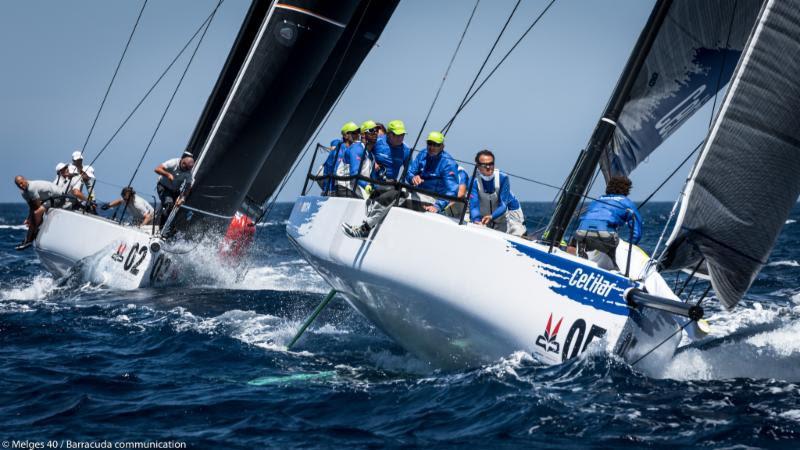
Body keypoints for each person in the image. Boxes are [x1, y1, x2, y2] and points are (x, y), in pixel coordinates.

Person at [341, 131, 456, 239]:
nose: (431, 147)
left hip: (430, 199)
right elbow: (409, 173)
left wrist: (438, 206)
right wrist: (413, 178)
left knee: (394, 195)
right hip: (415, 193)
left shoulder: (448, 163)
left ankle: (365, 229)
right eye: (429, 143)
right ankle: (368, 219)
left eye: (436, 144)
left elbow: (452, 190)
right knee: (390, 190)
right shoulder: (423, 154)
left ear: (442, 146)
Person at [572, 175, 642, 270]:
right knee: (617, 254)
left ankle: (578, 263)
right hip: (605, 235)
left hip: (581, 232)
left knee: (581, 244)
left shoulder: (598, 200)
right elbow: (636, 233)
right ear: (627, 190)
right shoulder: (627, 203)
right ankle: (617, 269)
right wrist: (628, 248)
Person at [469, 150, 526, 236]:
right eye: (484, 165)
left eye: (491, 164)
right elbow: (474, 205)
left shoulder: (503, 178)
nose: (488, 167)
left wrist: (492, 216)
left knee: (517, 232)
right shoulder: (473, 181)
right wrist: (476, 221)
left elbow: (503, 205)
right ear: (478, 166)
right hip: (486, 214)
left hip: (508, 213)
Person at [14, 176, 61, 250]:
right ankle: (28, 240)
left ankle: (35, 232)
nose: (20, 185)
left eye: (21, 183)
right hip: (46, 199)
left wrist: (34, 220)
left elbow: (38, 207)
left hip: (58, 197)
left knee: (37, 213)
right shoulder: (24, 193)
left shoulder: (31, 188)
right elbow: (31, 206)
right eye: (18, 185)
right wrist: (29, 218)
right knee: (32, 216)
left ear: (25, 180)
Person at [154, 151, 195, 227]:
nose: (187, 170)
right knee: (169, 204)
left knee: (181, 209)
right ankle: (161, 228)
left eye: (189, 169)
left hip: (175, 190)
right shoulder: (173, 162)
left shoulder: (189, 172)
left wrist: (182, 198)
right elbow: (157, 169)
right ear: (183, 163)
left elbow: (188, 186)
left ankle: (171, 229)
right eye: (186, 168)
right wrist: (168, 174)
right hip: (163, 187)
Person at [321, 122, 361, 196]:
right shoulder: (339, 151)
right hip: (332, 190)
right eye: (354, 133)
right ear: (345, 135)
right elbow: (337, 172)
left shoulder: (354, 149)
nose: (357, 135)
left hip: (346, 187)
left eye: (358, 132)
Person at [370, 119, 410, 188]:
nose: (400, 138)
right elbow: (364, 153)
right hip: (372, 182)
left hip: (391, 186)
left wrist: (414, 178)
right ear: (388, 134)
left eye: (402, 134)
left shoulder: (406, 150)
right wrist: (372, 161)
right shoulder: (377, 141)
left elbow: (409, 172)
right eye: (396, 134)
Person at [348, 120, 379, 198]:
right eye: (371, 130)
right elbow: (354, 173)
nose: (375, 133)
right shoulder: (357, 148)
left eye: (376, 131)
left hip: (362, 189)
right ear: (363, 134)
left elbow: (373, 179)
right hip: (348, 188)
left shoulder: (371, 156)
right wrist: (366, 186)